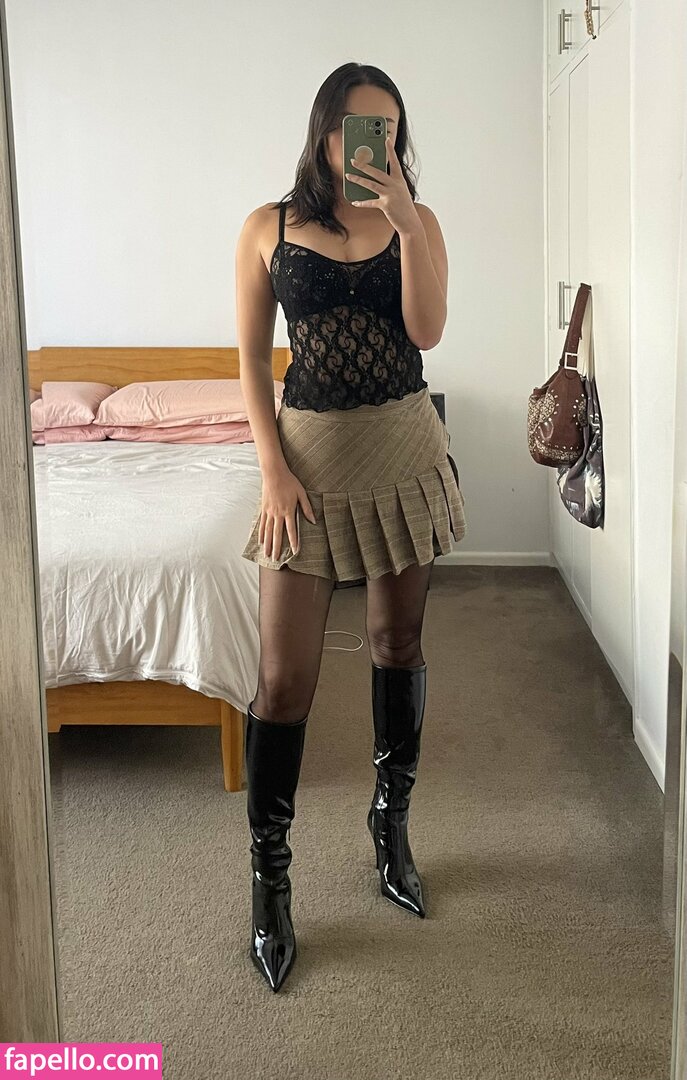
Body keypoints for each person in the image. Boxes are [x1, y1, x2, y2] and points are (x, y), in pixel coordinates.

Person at [235, 61, 466, 993]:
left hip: (402, 452)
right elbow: (251, 360)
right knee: (282, 680)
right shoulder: (267, 226)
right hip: (306, 468)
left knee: (395, 642)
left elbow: (426, 331)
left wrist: (406, 223)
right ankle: (269, 878)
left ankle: (390, 825)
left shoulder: (418, 220)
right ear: (322, 130)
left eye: (387, 130)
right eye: (352, 127)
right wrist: (271, 470)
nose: (369, 144)